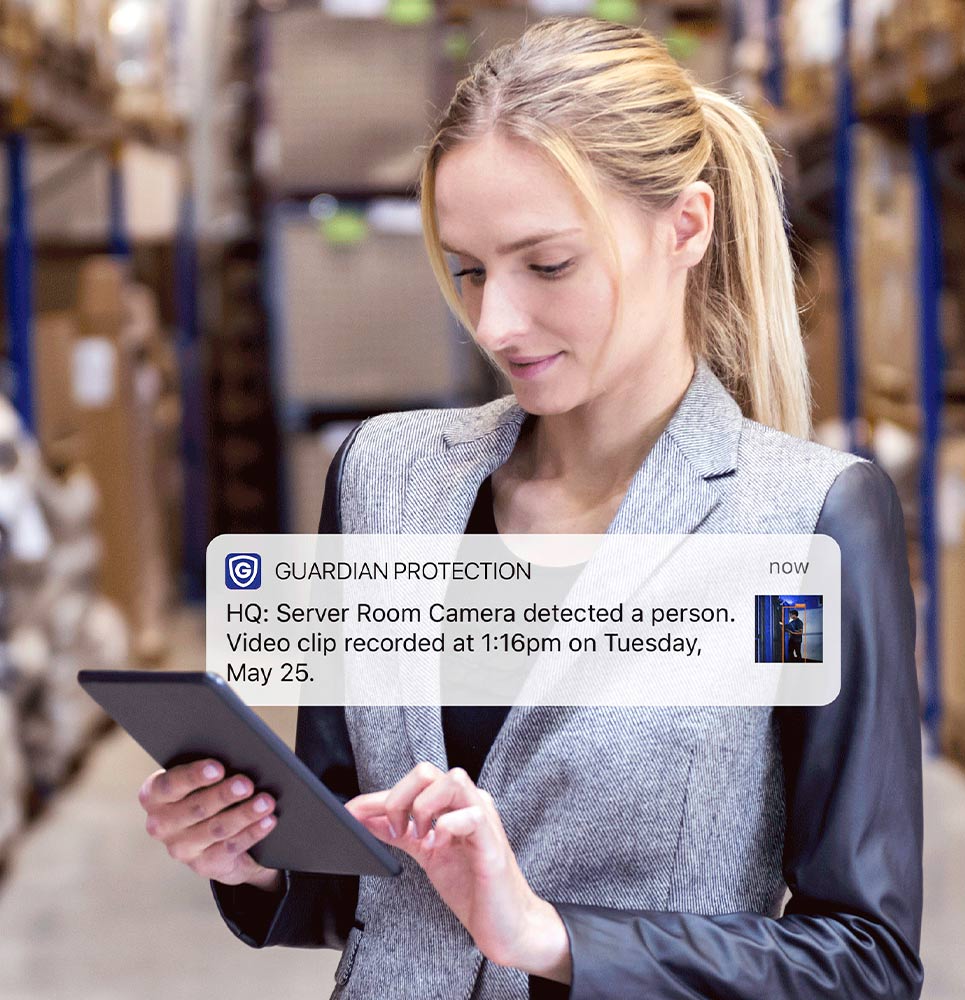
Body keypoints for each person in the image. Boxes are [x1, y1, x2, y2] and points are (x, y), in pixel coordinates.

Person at [137, 16, 923, 998]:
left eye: (547, 265)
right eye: (468, 269)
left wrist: (551, 937)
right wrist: (250, 854)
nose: (496, 324)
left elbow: (862, 959)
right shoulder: (385, 479)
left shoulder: (804, 525)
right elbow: (356, 877)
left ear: (686, 227)